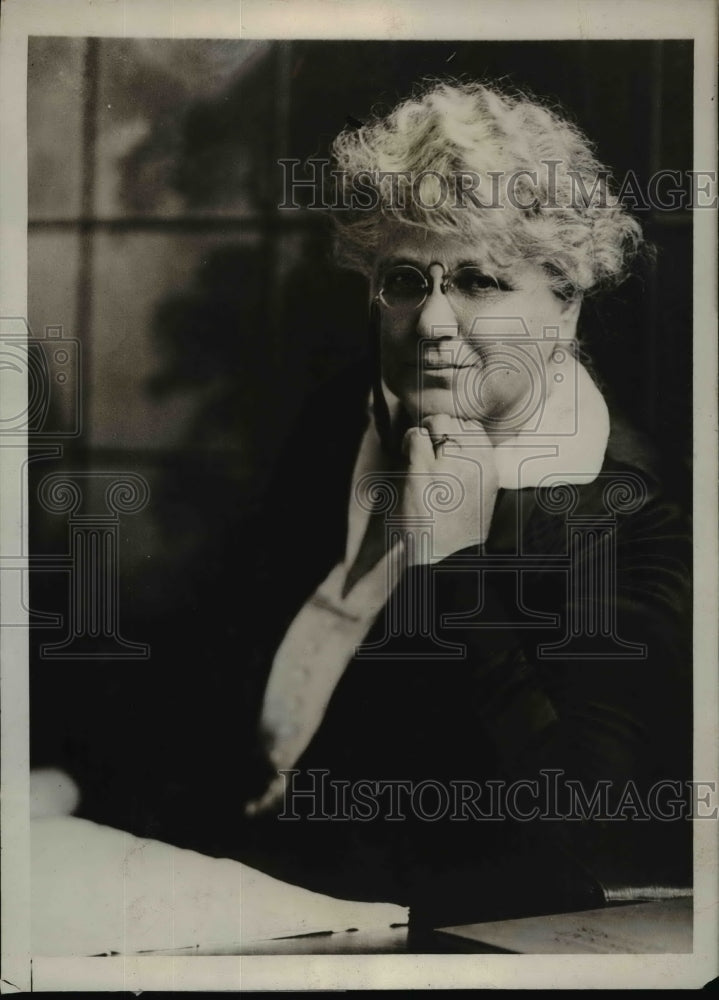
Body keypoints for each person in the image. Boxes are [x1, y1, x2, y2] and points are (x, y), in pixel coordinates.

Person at [225, 80, 693, 929]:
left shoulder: (638, 512)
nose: (431, 321)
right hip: (262, 882)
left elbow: (581, 829)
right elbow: (232, 641)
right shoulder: (343, 416)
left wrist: (454, 564)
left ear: (565, 301)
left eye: (478, 281)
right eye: (406, 280)